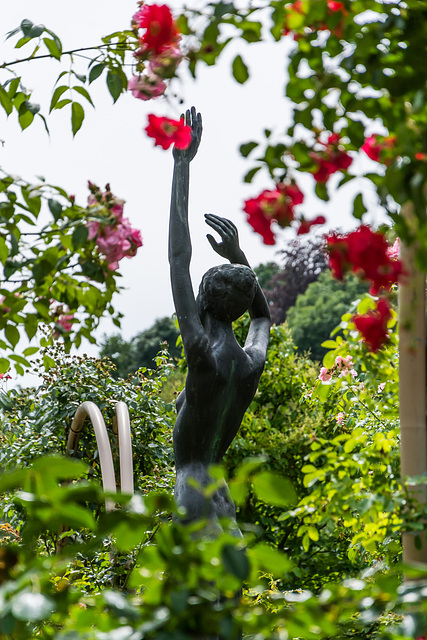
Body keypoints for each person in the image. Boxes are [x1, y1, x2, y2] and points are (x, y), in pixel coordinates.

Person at [169, 107, 270, 531]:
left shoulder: (202, 357)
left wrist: (181, 165)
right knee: (233, 592)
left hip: (193, 490)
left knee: (197, 595)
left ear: (204, 305)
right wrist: (240, 260)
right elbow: (263, 316)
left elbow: (178, 259)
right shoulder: (248, 364)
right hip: (220, 491)